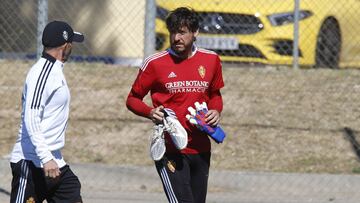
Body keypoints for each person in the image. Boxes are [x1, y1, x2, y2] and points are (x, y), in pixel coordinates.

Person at [126, 7, 224, 203]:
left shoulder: (211, 60)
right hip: (169, 149)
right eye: (173, 32)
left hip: (201, 148)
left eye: (182, 32)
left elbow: (215, 94)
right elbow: (132, 99)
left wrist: (216, 110)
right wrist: (150, 112)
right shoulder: (155, 63)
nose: (176, 37)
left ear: (195, 32)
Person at [9, 20, 84, 203]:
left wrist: (51, 158)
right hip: (32, 161)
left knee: (71, 188)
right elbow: (32, 118)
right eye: (71, 42)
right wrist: (45, 158)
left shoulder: (56, 71)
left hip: (54, 161)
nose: (72, 46)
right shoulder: (41, 73)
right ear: (65, 45)